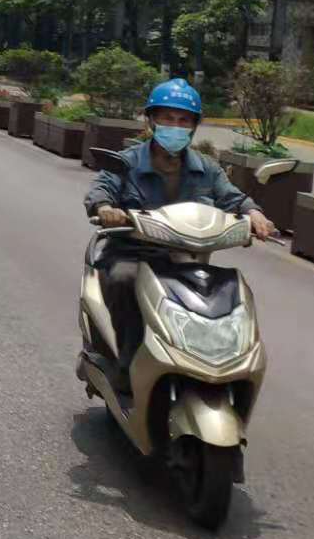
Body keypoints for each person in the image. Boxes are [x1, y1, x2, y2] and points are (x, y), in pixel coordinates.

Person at [83, 79, 276, 388]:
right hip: (134, 253)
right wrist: (105, 207)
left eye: (184, 120)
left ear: (194, 126)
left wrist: (254, 214)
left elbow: (232, 197)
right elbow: (102, 188)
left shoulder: (207, 168)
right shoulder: (128, 161)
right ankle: (127, 363)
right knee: (122, 279)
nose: (175, 126)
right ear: (152, 120)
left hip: (188, 258)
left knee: (228, 290)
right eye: (167, 118)